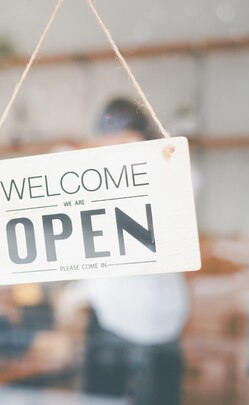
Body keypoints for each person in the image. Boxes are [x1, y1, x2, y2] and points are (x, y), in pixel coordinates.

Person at [82, 98, 189, 405]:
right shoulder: (92, 180)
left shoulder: (169, 175)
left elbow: (189, 182)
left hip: (158, 323)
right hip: (113, 317)